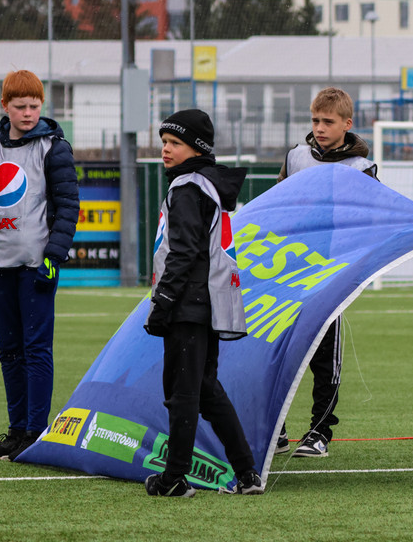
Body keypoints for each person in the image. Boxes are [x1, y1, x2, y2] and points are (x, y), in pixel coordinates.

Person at [0, 70, 79, 461]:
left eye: (34, 105)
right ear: (4, 106)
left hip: (36, 267)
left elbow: (68, 207)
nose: (28, 113)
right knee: (9, 351)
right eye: (20, 106)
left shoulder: (54, 148)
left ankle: (35, 433)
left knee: (36, 349)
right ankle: (15, 432)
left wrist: (54, 256)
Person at [143, 109, 264, 497]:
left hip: (188, 303)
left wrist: (164, 301)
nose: (166, 149)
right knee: (206, 390)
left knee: (182, 392)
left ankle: (174, 479)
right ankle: (247, 473)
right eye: (164, 142)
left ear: (196, 148)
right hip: (207, 301)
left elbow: (184, 252)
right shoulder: (206, 184)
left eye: (175, 143)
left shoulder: (186, 188)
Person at [276, 87, 378, 458]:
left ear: (347, 124)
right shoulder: (296, 156)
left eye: (328, 122)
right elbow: (276, 205)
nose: (319, 128)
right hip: (288, 271)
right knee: (279, 352)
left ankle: (320, 432)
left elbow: (371, 217)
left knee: (324, 355)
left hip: (330, 274)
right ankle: (275, 430)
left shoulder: (362, 168)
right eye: (315, 120)